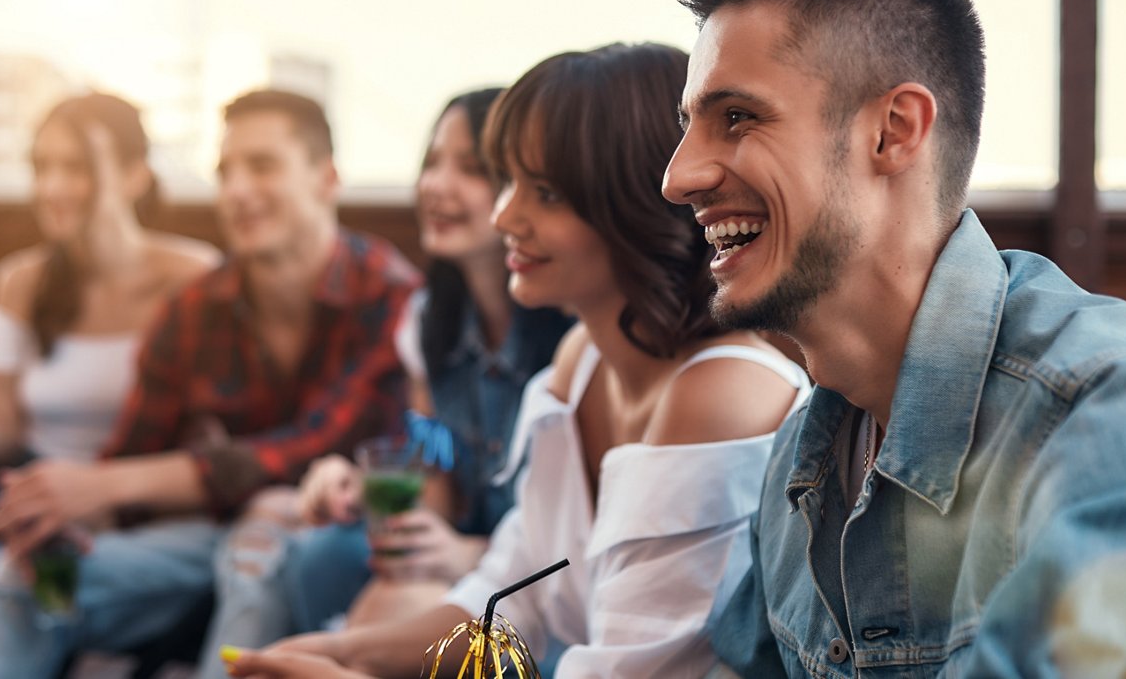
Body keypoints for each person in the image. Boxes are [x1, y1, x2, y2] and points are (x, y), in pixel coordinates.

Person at [660, 0, 1126, 677]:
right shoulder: (802, 457)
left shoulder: (1109, 409)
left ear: (894, 132)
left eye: (737, 118)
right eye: (689, 125)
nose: (680, 175)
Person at [222, 42, 810, 678]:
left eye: (546, 194)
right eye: (508, 182)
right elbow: (511, 596)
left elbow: (629, 671)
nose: (505, 215)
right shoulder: (581, 361)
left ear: (635, 203)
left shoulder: (722, 391)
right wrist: (336, 651)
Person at [0, 88, 422, 679]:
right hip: (195, 538)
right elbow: (132, 452)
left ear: (326, 179)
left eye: (262, 166)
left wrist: (107, 484)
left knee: (258, 549)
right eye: (226, 172)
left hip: (318, 542)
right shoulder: (195, 308)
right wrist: (62, 516)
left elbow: (312, 442)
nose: (237, 192)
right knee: (27, 574)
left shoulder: (390, 296)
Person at [195, 88, 572, 679]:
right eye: (431, 162)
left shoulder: (573, 331)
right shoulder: (430, 321)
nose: (437, 186)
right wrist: (357, 484)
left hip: (536, 582)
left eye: (471, 170)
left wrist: (464, 556)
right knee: (321, 554)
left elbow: (580, 543)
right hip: (469, 562)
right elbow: (433, 477)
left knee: (384, 605)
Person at [0, 92, 219, 678]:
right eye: (42, 167)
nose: (52, 187)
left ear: (136, 175)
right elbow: (4, 436)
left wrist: (105, 498)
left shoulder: (194, 279)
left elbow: (212, 445)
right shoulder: (21, 280)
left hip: (108, 509)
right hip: (3, 483)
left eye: (77, 167)